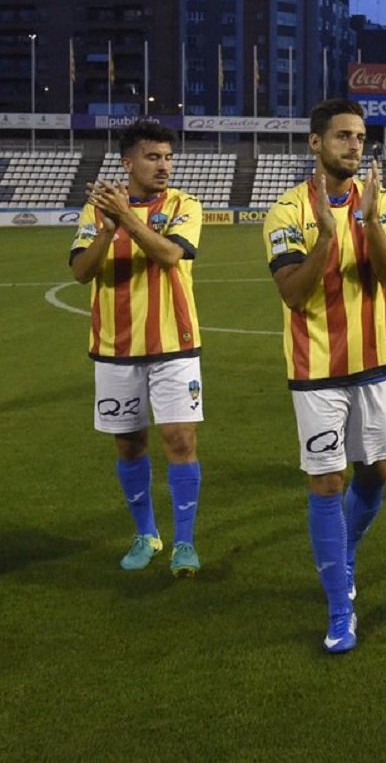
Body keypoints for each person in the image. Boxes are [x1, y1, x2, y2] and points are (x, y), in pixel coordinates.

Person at [264, 98, 386, 653]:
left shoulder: (384, 202)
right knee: (327, 481)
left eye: (360, 137)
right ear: (315, 143)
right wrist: (325, 234)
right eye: (343, 135)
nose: (354, 145)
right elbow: (294, 295)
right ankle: (339, 607)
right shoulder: (286, 212)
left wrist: (368, 218)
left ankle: (342, 551)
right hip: (316, 367)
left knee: (378, 474)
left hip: (375, 363)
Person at [69, 119, 206, 577]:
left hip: (175, 343)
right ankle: (146, 532)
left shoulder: (186, 204)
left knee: (181, 440)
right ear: (128, 162)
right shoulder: (96, 213)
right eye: (153, 157)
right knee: (129, 444)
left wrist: (124, 216)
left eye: (168, 157)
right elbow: (81, 272)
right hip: (114, 345)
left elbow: (170, 255)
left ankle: (184, 543)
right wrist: (107, 229)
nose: (164, 165)